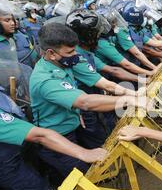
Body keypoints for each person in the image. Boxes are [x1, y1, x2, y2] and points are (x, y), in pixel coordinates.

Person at [29, 23, 140, 177]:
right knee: (82, 176)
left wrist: (135, 94)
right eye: (70, 51)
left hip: (74, 125)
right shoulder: (44, 79)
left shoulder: (66, 61)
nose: (75, 54)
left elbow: (104, 83)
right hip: (56, 139)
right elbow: (85, 102)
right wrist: (127, 100)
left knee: (99, 160)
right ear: (51, 53)